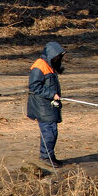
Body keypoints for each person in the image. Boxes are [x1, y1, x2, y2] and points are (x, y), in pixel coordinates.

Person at [27, 41, 66, 169]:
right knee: (49, 132)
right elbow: (34, 87)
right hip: (42, 107)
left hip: (48, 106)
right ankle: (46, 156)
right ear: (51, 55)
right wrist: (52, 94)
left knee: (52, 132)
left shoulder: (49, 64)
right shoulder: (39, 66)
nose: (59, 59)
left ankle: (49, 156)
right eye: (58, 56)